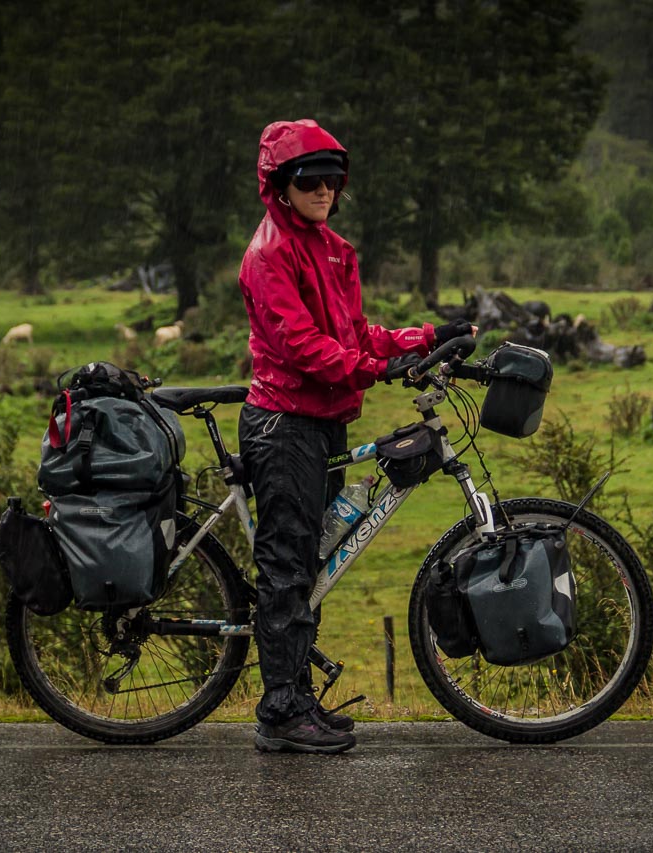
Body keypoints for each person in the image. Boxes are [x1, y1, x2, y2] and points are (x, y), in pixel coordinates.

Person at [238, 119, 473, 754]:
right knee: (287, 565)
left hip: (323, 424)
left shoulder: (333, 249)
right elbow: (302, 346)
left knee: (313, 561)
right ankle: (280, 711)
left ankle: (297, 694)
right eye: (308, 179)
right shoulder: (268, 254)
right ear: (279, 185)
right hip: (284, 424)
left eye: (333, 179)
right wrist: (377, 369)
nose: (323, 190)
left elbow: (354, 333)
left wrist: (427, 336)